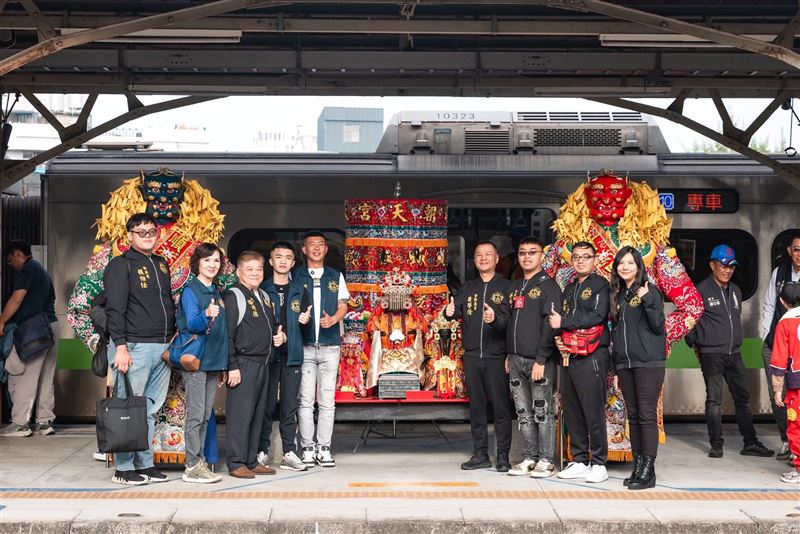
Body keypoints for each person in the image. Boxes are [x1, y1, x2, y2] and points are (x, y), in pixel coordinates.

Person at [103, 213, 175, 485]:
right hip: (133, 347)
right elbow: (115, 309)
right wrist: (120, 347)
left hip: (162, 347)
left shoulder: (161, 263)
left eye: (152, 231)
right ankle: (122, 469)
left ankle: (145, 464)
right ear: (129, 235)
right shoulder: (120, 265)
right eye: (141, 231)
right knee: (127, 408)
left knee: (148, 410)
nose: (147, 235)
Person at [685, 244, 774, 459]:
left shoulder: (735, 291)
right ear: (712, 265)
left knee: (743, 399)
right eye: (723, 266)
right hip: (711, 355)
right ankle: (716, 445)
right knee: (714, 401)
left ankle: (750, 442)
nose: (727, 270)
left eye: (731, 267)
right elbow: (689, 323)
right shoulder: (701, 290)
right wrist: (697, 345)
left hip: (734, 354)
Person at [445, 241, 512, 472]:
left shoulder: (506, 287)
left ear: (496, 259)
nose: (483, 258)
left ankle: (502, 455)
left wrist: (496, 320)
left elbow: (511, 323)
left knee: (501, 409)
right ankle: (480, 453)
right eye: (479, 255)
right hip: (473, 356)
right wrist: (449, 312)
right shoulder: (467, 287)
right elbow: (458, 312)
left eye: (488, 254)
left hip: (496, 356)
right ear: (474, 261)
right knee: (477, 408)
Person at [549, 241, 611, 483]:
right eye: (576, 257)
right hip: (570, 355)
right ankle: (579, 460)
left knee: (593, 409)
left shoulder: (600, 285)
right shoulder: (570, 287)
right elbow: (559, 321)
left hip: (593, 355)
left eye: (586, 256)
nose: (581, 261)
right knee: (572, 408)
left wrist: (564, 323)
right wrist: (558, 340)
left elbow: (597, 316)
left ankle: (599, 463)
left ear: (595, 260)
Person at [223, 250, 286, 479]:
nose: (255, 273)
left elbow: (274, 327)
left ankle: (251, 460)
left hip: (264, 363)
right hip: (243, 363)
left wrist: (281, 337)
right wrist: (232, 366)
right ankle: (236, 462)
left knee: (258, 414)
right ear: (239, 272)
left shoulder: (264, 296)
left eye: (258, 269)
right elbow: (227, 335)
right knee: (240, 415)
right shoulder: (233, 296)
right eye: (249, 269)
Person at [609, 247, 666, 490]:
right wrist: (616, 369)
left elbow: (658, 325)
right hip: (625, 364)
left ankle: (648, 470)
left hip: (648, 363)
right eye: (621, 263)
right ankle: (638, 465)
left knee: (646, 415)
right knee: (632, 417)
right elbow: (617, 334)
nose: (625, 267)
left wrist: (646, 299)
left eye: (630, 263)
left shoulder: (649, 291)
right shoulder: (619, 296)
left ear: (638, 266)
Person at [505, 237, 561, 478]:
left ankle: (546, 460)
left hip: (538, 361)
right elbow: (510, 323)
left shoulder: (549, 286)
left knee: (542, 410)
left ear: (541, 256)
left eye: (532, 252)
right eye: (522, 252)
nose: (526, 256)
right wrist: (509, 354)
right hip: (515, 359)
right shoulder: (515, 286)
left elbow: (551, 326)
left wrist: (541, 359)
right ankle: (529, 457)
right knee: (522, 412)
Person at [294, 231, 349, 468]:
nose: (316, 248)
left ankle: (324, 447)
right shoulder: (296, 276)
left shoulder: (335, 276)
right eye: (311, 245)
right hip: (304, 346)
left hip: (329, 346)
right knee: (305, 400)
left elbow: (343, 305)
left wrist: (334, 319)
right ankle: (307, 448)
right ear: (304, 250)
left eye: (321, 245)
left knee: (327, 400)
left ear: (326, 250)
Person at [257, 242, 311, 472]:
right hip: (268, 357)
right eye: (278, 257)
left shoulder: (300, 289)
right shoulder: (261, 289)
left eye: (288, 257)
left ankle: (290, 452)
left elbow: (306, 329)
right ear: (270, 262)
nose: (282, 261)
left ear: (293, 262)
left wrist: (305, 323)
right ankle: (261, 452)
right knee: (266, 405)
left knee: (290, 406)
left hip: (292, 356)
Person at [176, 243, 228, 484]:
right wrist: (206, 314)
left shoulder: (216, 291)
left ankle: (200, 462)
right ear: (197, 263)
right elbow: (191, 326)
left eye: (216, 261)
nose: (212, 265)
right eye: (207, 260)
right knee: (195, 415)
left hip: (213, 361)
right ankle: (192, 465)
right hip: (196, 361)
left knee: (206, 415)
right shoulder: (191, 290)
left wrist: (224, 364)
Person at [0, 240, 59, 438]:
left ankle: (20, 423)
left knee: (26, 376)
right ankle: (44, 421)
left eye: (10, 261)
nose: (11, 266)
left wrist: (1, 322)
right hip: (51, 325)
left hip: (35, 329)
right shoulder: (42, 272)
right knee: (46, 377)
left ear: (18, 254)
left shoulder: (27, 270)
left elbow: (17, 299)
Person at [760, 233, 800, 461]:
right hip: (775, 343)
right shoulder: (779, 274)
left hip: (798, 346)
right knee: (777, 394)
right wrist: (766, 334)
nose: (799, 255)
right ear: (789, 251)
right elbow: (768, 305)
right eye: (796, 250)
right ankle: (786, 439)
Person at [769, 281, 800, 484]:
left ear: (782, 301)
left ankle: (798, 468)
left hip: (797, 385)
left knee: (796, 425)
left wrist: (777, 390)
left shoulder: (785, 323)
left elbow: (779, 360)